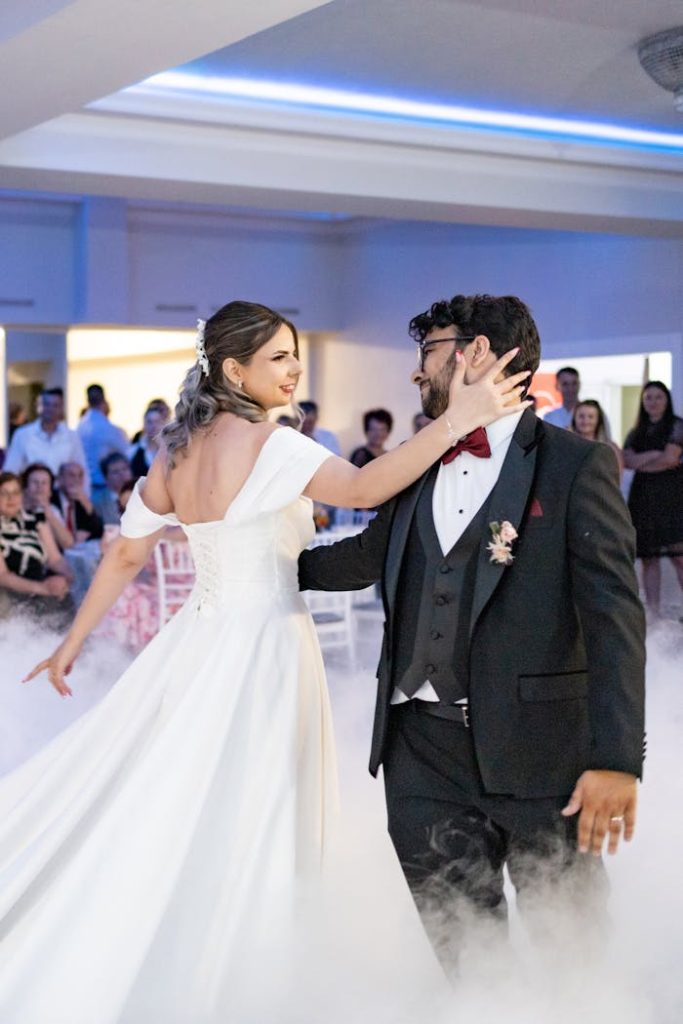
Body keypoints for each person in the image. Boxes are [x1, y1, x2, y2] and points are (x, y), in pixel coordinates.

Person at [0, 300, 525, 1021]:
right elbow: (367, 489)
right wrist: (457, 421)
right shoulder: (272, 443)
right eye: (278, 357)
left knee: (179, 799)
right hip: (265, 646)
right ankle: (247, 973)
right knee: (254, 808)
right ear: (232, 369)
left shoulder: (177, 452)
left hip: (195, 644)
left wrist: (70, 645)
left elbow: (125, 552)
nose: (294, 369)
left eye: (295, 354)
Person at [299, 293, 645, 974]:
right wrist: (259, 562)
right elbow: (367, 555)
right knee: (465, 958)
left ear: (474, 353)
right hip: (419, 753)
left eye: (425, 352)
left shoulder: (576, 463)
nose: (413, 372)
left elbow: (614, 617)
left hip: (544, 760)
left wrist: (617, 760)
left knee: (572, 960)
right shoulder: (417, 457)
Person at [623, 381, 683, 617]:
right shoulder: (636, 430)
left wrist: (645, 461)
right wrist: (655, 455)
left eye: (658, 397)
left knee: (679, 557)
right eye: (648, 397)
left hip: (673, 499)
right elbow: (628, 461)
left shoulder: (677, 425)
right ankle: (655, 614)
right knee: (649, 558)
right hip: (644, 500)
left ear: (666, 400)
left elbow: (670, 459)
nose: (653, 402)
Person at [0, 471, 73, 626]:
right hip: (8, 591)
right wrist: (43, 588)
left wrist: (68, 577)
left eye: (15, 492)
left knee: (66, 598)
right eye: (4, 493)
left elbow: (55, 559)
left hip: (40, 584)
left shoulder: (36, 519)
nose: (11, 498)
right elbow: (3, 576)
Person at [4, 388, 89, 488]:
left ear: (61, 408)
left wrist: (85, 497)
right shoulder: (23, 435)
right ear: (39, 407)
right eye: (46, 404)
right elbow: (11, 469)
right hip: (32, 494)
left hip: (62, 495)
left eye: (55, 405)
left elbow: (82, 469)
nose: (50, 409)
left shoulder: (71, 436)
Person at [76, 384, 129, 496]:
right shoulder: (110, 430)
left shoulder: (79, 428)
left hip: (84, 486)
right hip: (104, 487)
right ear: (104, 401)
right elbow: (126, 453)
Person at [21, 463, 74, 552]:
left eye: (44, 483)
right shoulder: (14, 508)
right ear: (25, 488)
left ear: (50, 491)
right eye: (35, 482)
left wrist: (49, 515)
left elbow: (68, 544)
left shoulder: (52, 510)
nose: (40, 487)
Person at [53, 461, 104, 543]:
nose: (76, 480)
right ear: (60, 479)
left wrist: (86, 503)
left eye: (80, 476)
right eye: (71, 475)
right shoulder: (51, 499)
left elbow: (100, 530)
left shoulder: (81, 500)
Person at [571, 399, 623, 476]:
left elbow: (617, 477)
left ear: (598, 420)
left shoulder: (610, 448)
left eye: (591, 417)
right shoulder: (567, 445)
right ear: (574, 419)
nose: (585, 421)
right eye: (581, 416)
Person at [92, 452, 133, 525]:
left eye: (125, 469)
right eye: (115, 472)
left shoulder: (142, 493)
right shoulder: (96, 501)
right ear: (106, 478)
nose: (122, 474)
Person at [128, 406, 165, 479]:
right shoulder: (132, 452)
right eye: (149, 422)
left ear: (163, 424)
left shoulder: (171, 451)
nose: (154, 426)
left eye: (157, 422)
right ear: (144, 425)